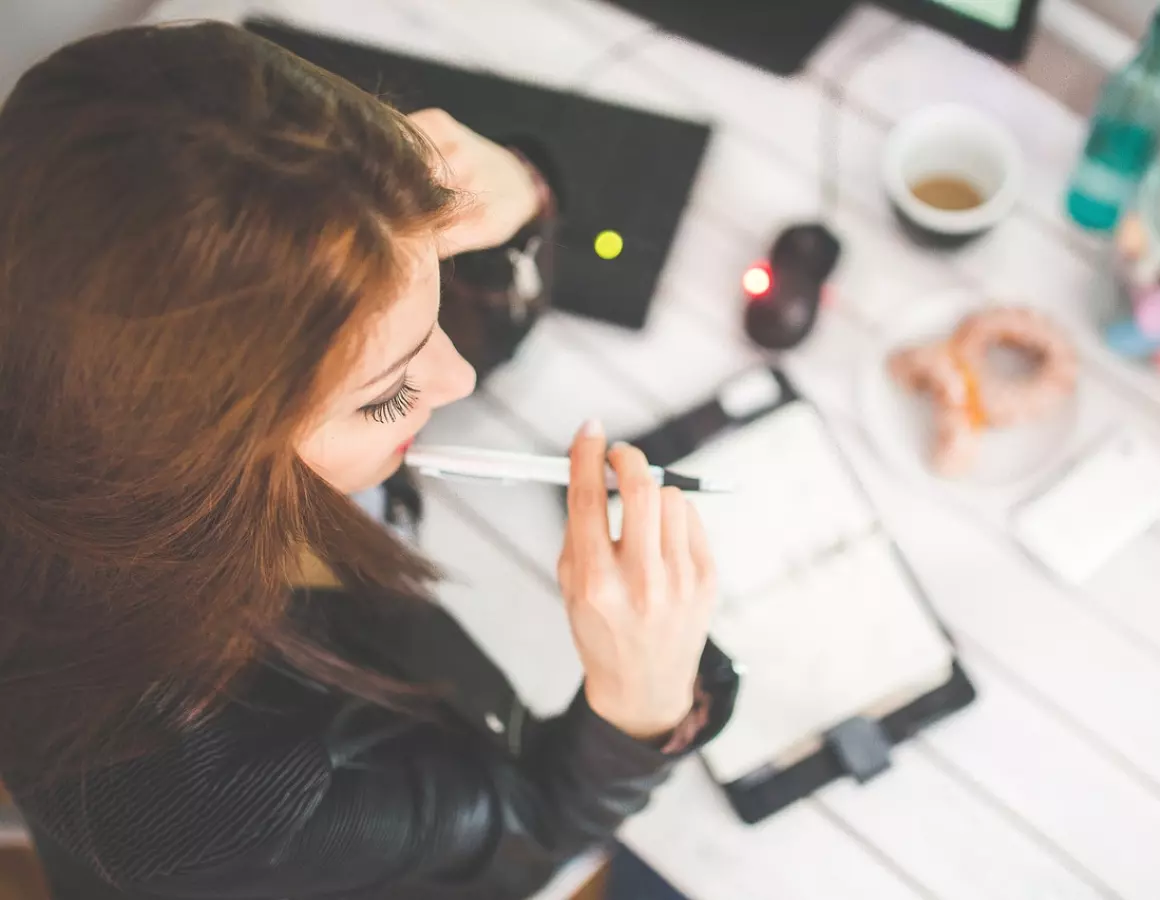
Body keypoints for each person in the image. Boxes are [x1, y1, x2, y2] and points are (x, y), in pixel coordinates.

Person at [0, 21, 737, 900]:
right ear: (198, 456)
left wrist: (520, 191)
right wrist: (640, 706)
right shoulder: (209, 788)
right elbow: (525, 837)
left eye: (437, 274)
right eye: (386, 395)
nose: (456, 379)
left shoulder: (89, 340)